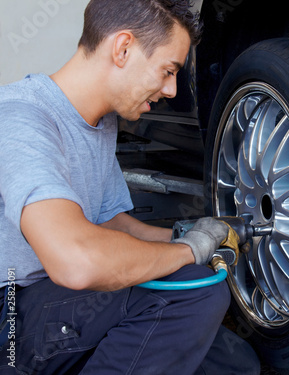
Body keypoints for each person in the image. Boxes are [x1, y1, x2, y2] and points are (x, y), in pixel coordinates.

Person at [0, 0, 260, 374]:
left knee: (233, 366)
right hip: (11, 319)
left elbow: (111, 225)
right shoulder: (22, 120)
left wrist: (190, 234)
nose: (172, 89)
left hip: (57, 305)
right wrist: (189, 252)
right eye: (168, 70)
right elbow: (76, 262)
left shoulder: (97, 124)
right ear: (122, 48)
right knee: (199, 290)